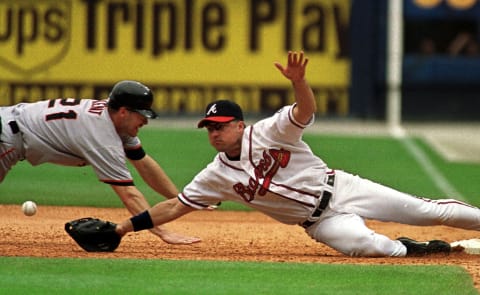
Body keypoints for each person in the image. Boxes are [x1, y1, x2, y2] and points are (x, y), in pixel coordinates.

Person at [114, 51, 480, 257]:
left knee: (426, 210)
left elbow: (303, 112)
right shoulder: (215, 176)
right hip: (319, 223)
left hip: (341, 189)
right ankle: (425, 250)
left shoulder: (272, 131)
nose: (215, 133)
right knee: (370, 246)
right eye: (210, 128)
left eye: (221, 125)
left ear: (239, 125)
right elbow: (176, 206)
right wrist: (122, 228)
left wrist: (299, 82)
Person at [0, 80, 200, 244]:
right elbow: (129, 195)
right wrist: (162, 232)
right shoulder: (101, 136)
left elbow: (144, 163)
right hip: (6, 137)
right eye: (142, 115)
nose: (146, 121)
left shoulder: (114, 121)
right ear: (123, 112)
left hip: (10, 126)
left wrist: (182, 199)